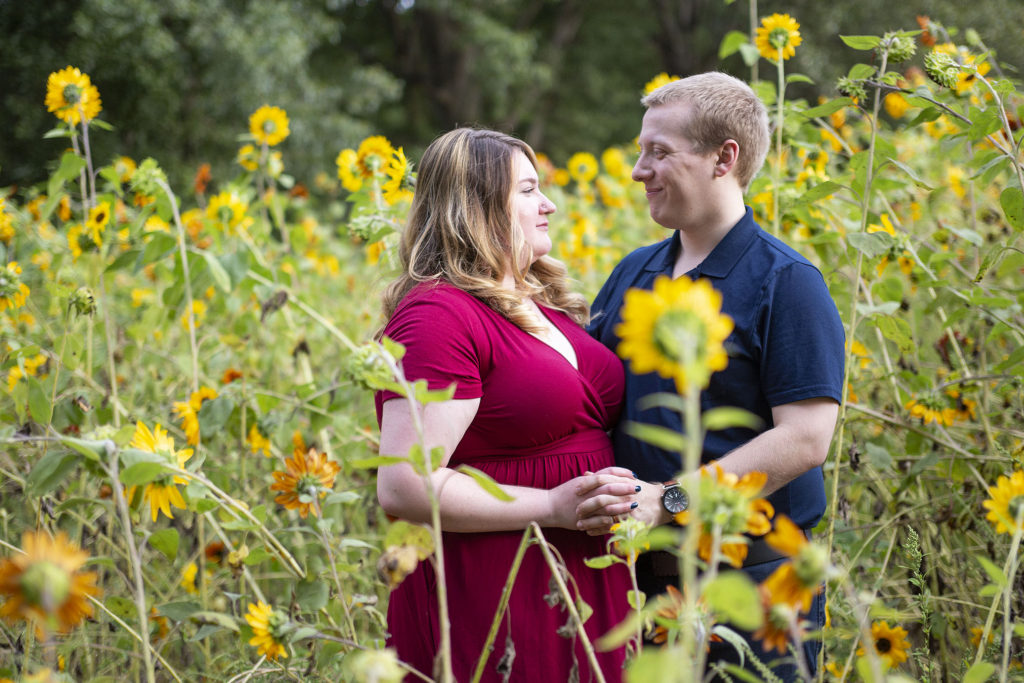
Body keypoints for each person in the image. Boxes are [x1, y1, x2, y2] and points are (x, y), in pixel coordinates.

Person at [576, 72, 845, 679]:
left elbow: (805, 440)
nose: (640, 170)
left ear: (725, 157)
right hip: (637, 585)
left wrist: (667, 503)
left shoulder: (788, 283)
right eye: (642, 150)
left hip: (755, 590)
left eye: (660, 152)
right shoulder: (633, 272)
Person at [374, 127, 638, 682]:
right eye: (527, 189)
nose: (548, 205)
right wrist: (550, 507)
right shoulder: (438, 315)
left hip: (585, 565)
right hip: (503, 573)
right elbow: (404, 484)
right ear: (475, 206)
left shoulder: (542, 303)